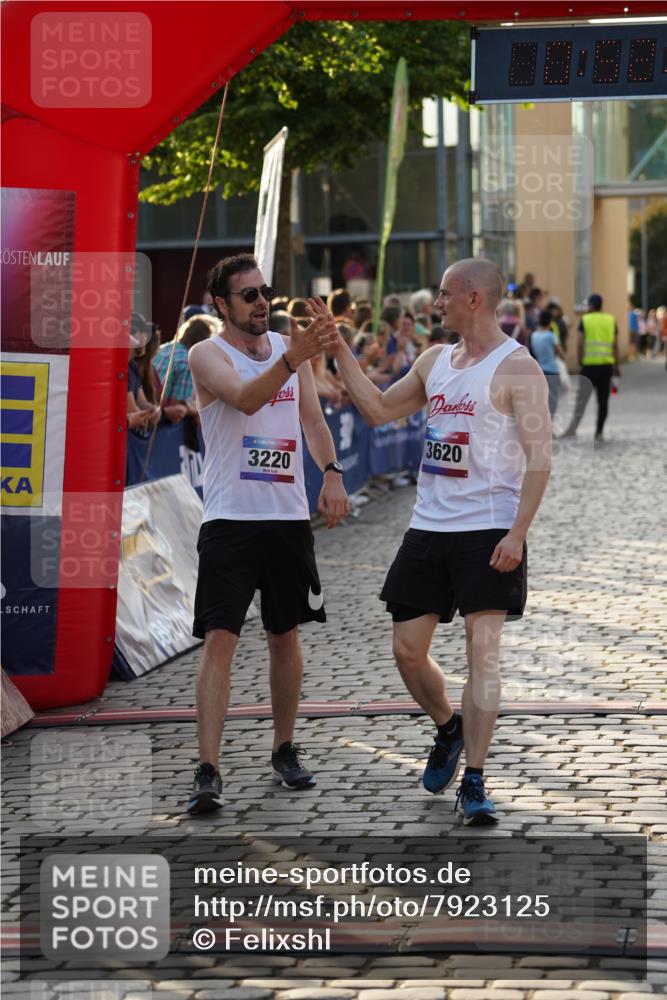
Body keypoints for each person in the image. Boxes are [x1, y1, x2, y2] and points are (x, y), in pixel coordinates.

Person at [310, 258, 551, 826]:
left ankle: (475, 780)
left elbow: (541, 461)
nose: (434, 305)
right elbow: (375, 409)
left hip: (489, 529)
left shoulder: (518, 370)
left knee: (482, 655)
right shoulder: (434, 360)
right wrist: (338, 347)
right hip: (429, 526)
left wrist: (517, 533)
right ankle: (449, 728)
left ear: (473, 298)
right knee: (407, 651)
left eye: (443, 295)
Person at [186, 253, 350, 814]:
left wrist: (330, 472)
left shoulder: (287, 348)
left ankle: (284, 747)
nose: (261, 302)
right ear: (222, 305)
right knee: (220, 640)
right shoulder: (205, 352)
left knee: (285, 635)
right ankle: (208, 768)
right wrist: (296, 356)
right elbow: (246, 398)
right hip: (230, 518)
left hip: (286, 518)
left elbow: (311, 421)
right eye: (248, 295)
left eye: (265, 292)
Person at [561, 293, 620, 442]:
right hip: (606, 366)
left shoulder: (585, 320)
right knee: (603, 401)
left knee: (581, 400)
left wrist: (580, 362)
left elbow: (580, 343)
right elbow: (615, 345)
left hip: (589, 367)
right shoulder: (611, 320)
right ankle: (599, 431)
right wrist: (617, 365)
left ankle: (572, 429)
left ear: (593, 306)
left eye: (588, 305)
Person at [153, 314, 219, 418]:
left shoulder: (163, 349)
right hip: (162, 422)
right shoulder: (187, 361)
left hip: (149, 412)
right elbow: (178, 407)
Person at [530, 309, 566, 418]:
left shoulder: (534, 335)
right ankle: (549, 424)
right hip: (552, 371)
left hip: (539, 370)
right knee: (553, 400)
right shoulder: (551, 336)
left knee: (542, 400)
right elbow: (560, 353)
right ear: (549, 321)